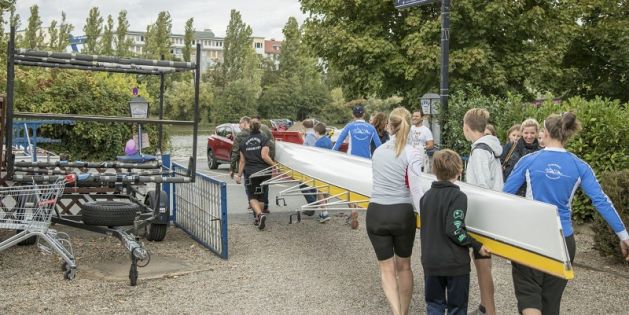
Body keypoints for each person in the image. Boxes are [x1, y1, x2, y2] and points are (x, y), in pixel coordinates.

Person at [504, 112, 629, 315]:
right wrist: (624, 236)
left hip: (530, 236)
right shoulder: (580, 166)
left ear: (544, 132)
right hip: (563, 240)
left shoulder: (528, 160)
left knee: (529, 296)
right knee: (551, 303)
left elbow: (505, 196)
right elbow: (601, 201)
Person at [367, 107, 423, 315]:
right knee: (404, 267)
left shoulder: (378, 152)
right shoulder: (412, 153)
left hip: (376, 213)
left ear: (389, 126)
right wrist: (424, 216)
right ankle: (405, 311)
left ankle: (396, 311)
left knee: (386, 268)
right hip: (402, 214)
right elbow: (416, 190)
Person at [421, 149, 490, 315]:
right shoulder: (458, 197)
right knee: (457, 308)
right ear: (460, 171)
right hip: (455, 264)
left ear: (434, 170)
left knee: (434, 305)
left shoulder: (425, 197)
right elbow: (454, 229)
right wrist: (476, 245)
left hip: (431, 262)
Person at [462, 108, 503, 315]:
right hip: (493, 211)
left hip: (484, 215)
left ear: (466, 128)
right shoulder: (491, 146)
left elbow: (481, 187)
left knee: (482, 266)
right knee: (484, 265)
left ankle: (489, 310)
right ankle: (486, 306)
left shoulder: (479, 150)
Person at [333, 104, 382, 229]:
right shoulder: (371, 128)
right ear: (364, 114)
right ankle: (368, 210)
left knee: (349, 186)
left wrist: (330, 155)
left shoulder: (349, 126)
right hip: (366, 161)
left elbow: (338, 143)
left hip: (351, 161)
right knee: (364, 186)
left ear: (353, 115)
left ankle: (353, 209)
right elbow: (379, 146)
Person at [235, 119, 275, 230]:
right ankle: (259, 219)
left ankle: (259, 215)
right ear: (260, 127)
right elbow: (264, 156)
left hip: (250, 172)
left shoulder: (243, 142)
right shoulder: (264, 139)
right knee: (261, 196)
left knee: (252, 196)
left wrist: (238, 175)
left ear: (249, 127)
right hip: (264, 171)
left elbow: (242, 161)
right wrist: (274, 165)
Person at [500, 119, 541, 193]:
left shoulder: (541, 151)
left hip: (530, 193)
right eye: (526, 133)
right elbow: (499, 164)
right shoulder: (511, 146)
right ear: (522, 133)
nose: (529, 136)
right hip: (510, 190)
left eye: (532, 133)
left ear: (537, 133)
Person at [313, 122, 333, 223]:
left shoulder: (318, 143)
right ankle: (324, 211)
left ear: (317, 132)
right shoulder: (329, 141)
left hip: (320, 169)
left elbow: (316, 157)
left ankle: (324, 212)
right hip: (329, 168)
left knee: (319, 191)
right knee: (326, 191)